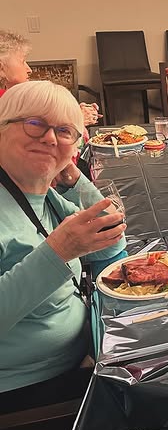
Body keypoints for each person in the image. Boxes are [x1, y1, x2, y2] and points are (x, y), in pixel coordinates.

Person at [0, 80, 126, 410]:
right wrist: (59, 250)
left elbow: (111, 242)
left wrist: (69, 174)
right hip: (26, 391)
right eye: (35, 124)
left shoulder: (39, 193)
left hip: (80, 358)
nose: (50, 137)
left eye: (64, 131)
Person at [0, 29, 101, 125]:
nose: (29, 70)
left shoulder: (12, 96)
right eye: (22, 62)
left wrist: (73, 112)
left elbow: (44, 119)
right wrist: (76, 120)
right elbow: (36, 135)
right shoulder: (5, 105)